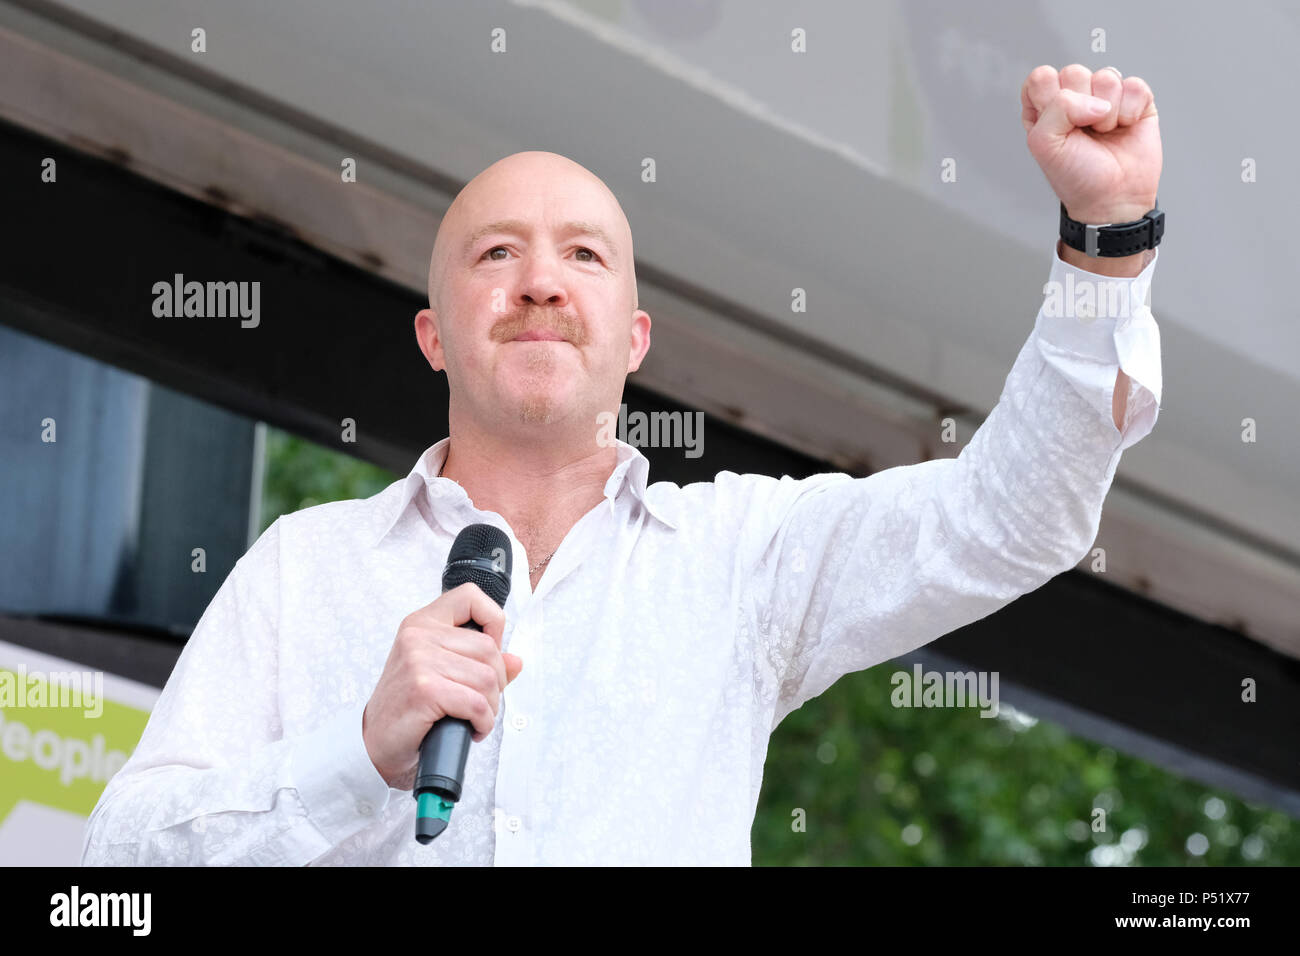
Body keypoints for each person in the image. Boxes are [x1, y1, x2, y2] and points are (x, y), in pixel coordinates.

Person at [82, 64, 1163, 865]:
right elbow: (109, 880)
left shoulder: (741, 556)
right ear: (432, 335)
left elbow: (1007, 516)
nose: (541, 282)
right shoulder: (303, 564)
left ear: (634, 339)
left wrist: (1105, 241)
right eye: (496, 252)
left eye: (583, 255)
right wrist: (352, 752)